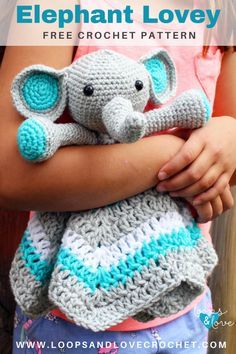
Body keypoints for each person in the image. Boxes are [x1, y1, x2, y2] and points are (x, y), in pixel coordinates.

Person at [0, 0, 235, 353]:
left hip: (184, 305)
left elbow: (222, 156)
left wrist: (230, 135)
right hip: (67, 323)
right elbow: (10, 174)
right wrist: (171, 152)